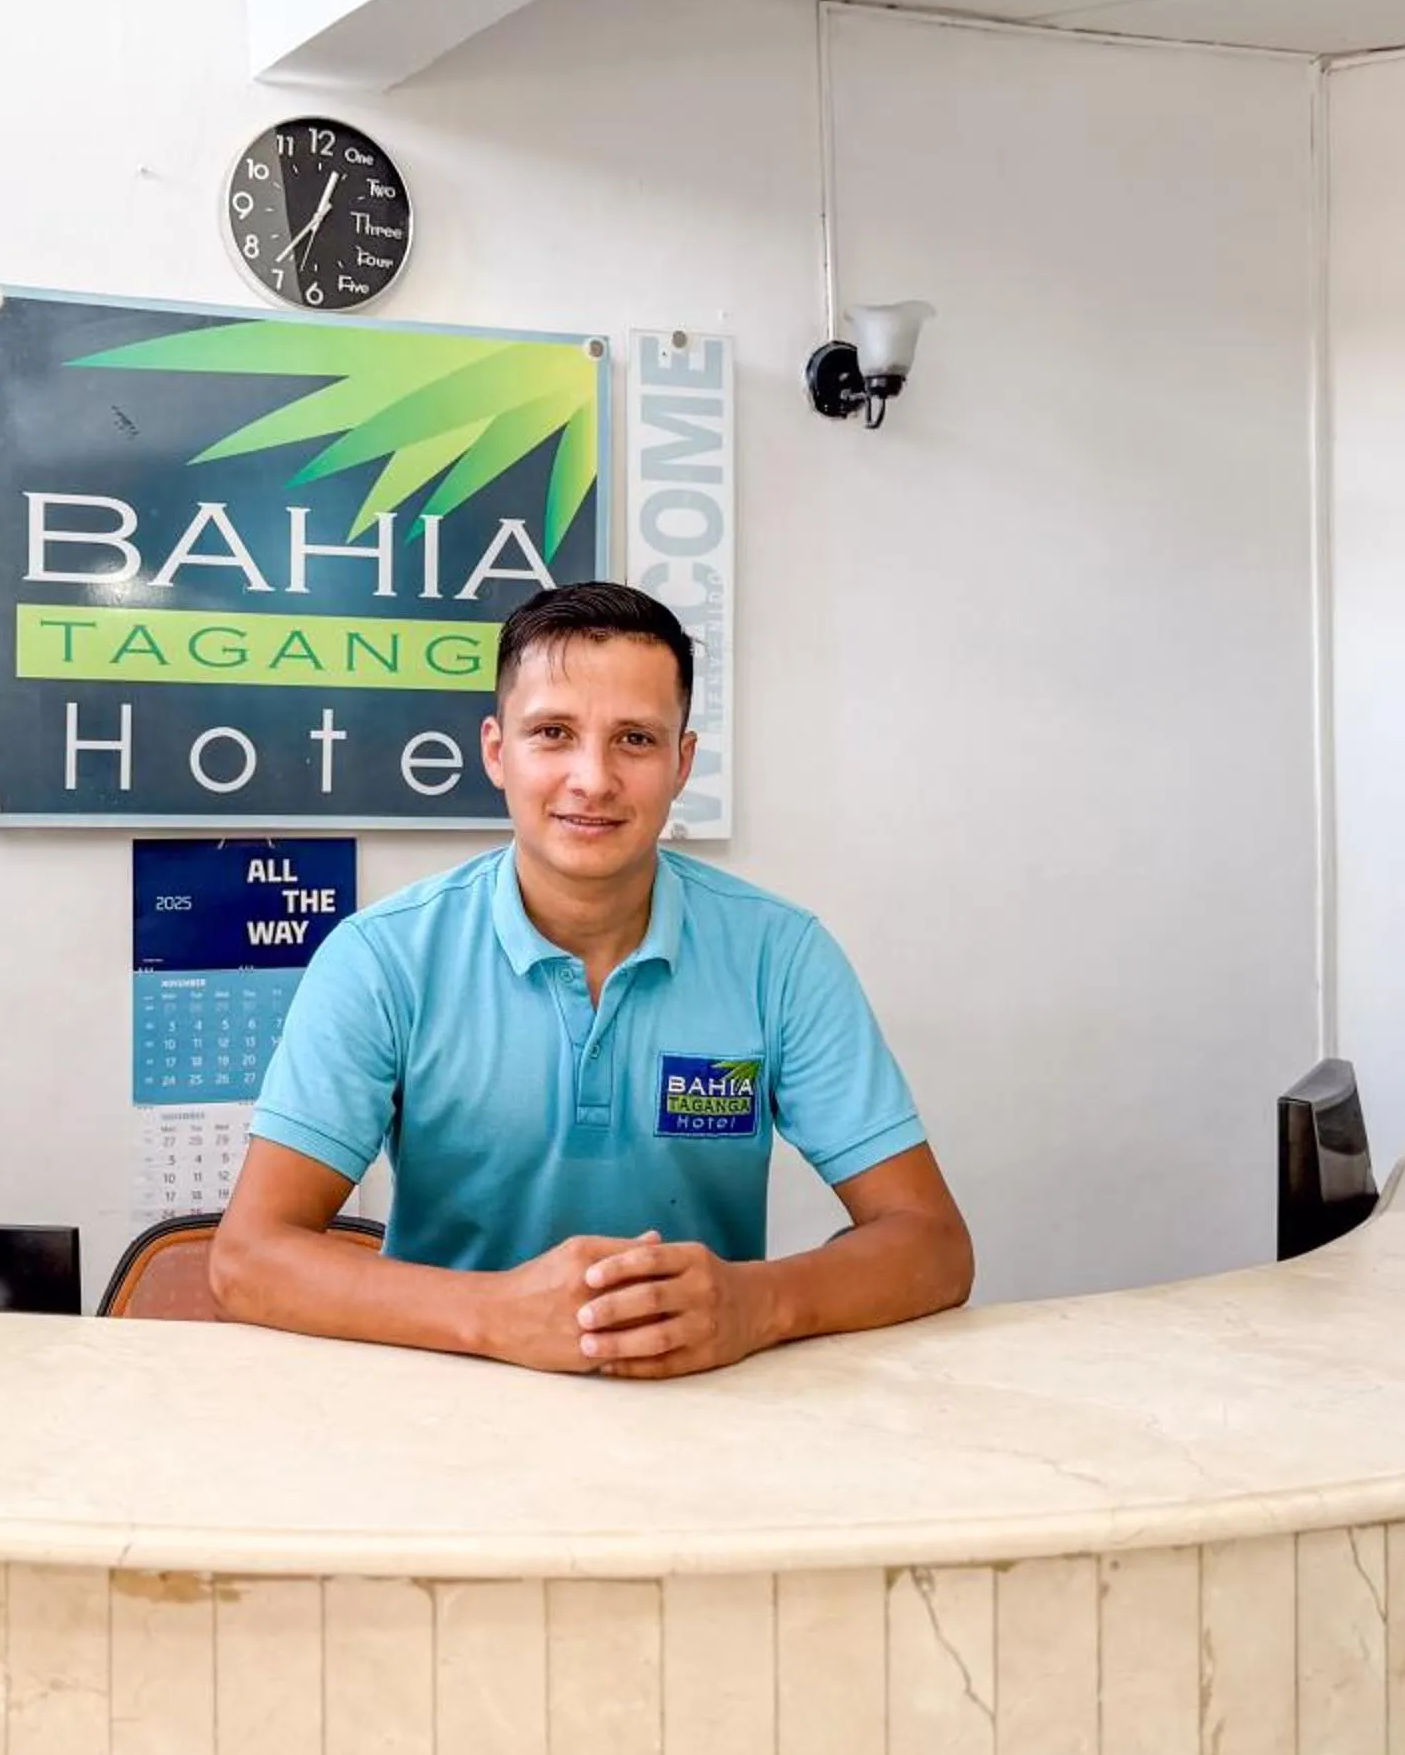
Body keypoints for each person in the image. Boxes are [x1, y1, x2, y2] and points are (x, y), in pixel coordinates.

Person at [210, 581, 973, 1377]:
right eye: (553, 733)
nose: (593, 778)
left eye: (635, 740)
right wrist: (494, 1317)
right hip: (445, 1421)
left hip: (704, 1416)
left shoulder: (782, 955)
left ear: (682, 764)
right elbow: (248, 1261)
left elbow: (933, 1243)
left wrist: (758, 1303)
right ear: (496, 751)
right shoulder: (382, 957)